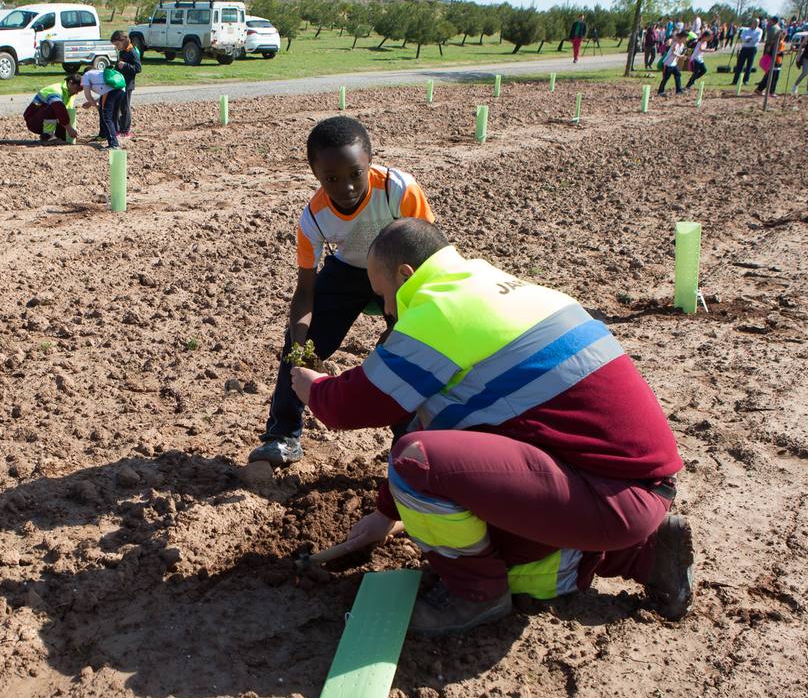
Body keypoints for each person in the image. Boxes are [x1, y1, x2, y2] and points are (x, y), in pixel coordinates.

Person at [291, 218, 692, 635]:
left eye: (383, 296)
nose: (387, 311)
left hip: (609, 496)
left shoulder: (438, 309)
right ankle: (646, 554)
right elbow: (464, 426)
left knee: (416, 461)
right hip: (624, 486)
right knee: (481, 511)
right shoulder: (492, 286)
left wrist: (313, 387)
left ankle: (474, 595)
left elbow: (351, 406)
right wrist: (384, 513)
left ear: (405, 276)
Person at [249, 116, 436, 467]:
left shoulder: (399, 189)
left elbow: (428, 256)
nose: (346, 187)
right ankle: (283, 435)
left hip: (403, 272)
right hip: (349, 270)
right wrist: (302, 344)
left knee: (408, 349)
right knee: (295, 344)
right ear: (316, 177)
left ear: (370, 162)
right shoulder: (315, 218)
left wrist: (400, 321)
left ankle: (410, 438)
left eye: (355, 174)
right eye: (331, 179)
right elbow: (305, 291)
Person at [23, 73, 85, 144]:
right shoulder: (55, 90)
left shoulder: (70, 94)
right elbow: (60, 110)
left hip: (45, 119)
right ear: (70, 82)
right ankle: (47, 136)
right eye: (77, 89)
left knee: (65, 136)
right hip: (33, 121)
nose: (77, 93)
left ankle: (55, 136)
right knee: (56, 106)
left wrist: (71, 130)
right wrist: (69, 128)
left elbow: (67, 113)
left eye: (80, 91)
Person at [78, 67, 128, 148]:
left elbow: (88, 95)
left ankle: (113, 144)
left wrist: (94, 105)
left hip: (110, 92)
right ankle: (106, 135)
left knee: (106, 118)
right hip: (121, 90)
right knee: (112, 116)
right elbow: (104, 94)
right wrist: (93, 104)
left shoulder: (86, 75)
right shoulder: (101, 74)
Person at [111, 30, 141, 140]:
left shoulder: (132, 51)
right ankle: (119, 129)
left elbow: (138, 68)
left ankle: (125, 131)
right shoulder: (122, 51)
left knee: (125, 107)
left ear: (123, 41)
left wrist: (125, 65)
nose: (116, 47)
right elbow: (118, 65)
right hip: (120, 83)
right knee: (118, 106)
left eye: (117, 45)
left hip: (128, 84)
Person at [754, 17, 785, 96]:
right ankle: (770, 91)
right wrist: (780, 53)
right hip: (774, 58)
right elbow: (774, 49)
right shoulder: (776, 38)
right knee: (773, 75)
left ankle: (760, 89)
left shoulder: (775, 31)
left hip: (777, 59)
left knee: (771, 74)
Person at [656, 30, 687, 97]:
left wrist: (679, 59)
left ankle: (678, 90)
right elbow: (673, 52)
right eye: (685, 38)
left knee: (678, 75)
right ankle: (660, 92)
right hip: (667, 64)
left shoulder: (682, 45)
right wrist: (680, 56)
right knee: (666, 78)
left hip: (673, 64)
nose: (686, 39)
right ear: (681, 37)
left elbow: (678, 55)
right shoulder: (676, 44)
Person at [733, 18, 761, 86]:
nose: (755, 24)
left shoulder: (759, 31)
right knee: (740, 64)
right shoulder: (746, 30)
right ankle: (735, 80)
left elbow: (757, 39)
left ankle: (746, 80)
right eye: (754, 22)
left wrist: (749, 39)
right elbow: (742, 37)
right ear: (752, 23)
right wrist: (747, 39)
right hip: (745, 48)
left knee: (749, 65)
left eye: (757, 23)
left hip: (752, 48)